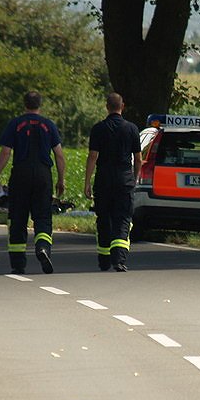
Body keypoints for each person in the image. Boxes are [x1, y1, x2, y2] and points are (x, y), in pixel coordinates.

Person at [0, 91, 66, 275]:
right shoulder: (49, 125)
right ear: (39, 104)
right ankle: (42, 248)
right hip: (42, 174)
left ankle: (18, 263)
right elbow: (59, 154)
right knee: (43, 217)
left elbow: (6, 152)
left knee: (17, 217)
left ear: (24, 104)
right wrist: (61, 179)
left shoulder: (15, 124)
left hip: (21, 174)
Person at [84, 92, 141, 272]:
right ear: (122, 106)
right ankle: (119, 259)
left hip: (104, 180)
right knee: (123, 218)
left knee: (104, 219)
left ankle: (104, 260)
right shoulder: (132, 129)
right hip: (124, 180)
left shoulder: (98, 128)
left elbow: (93, 157)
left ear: (107, 107)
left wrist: (87, 182)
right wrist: (135, 178)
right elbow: (138, 159)